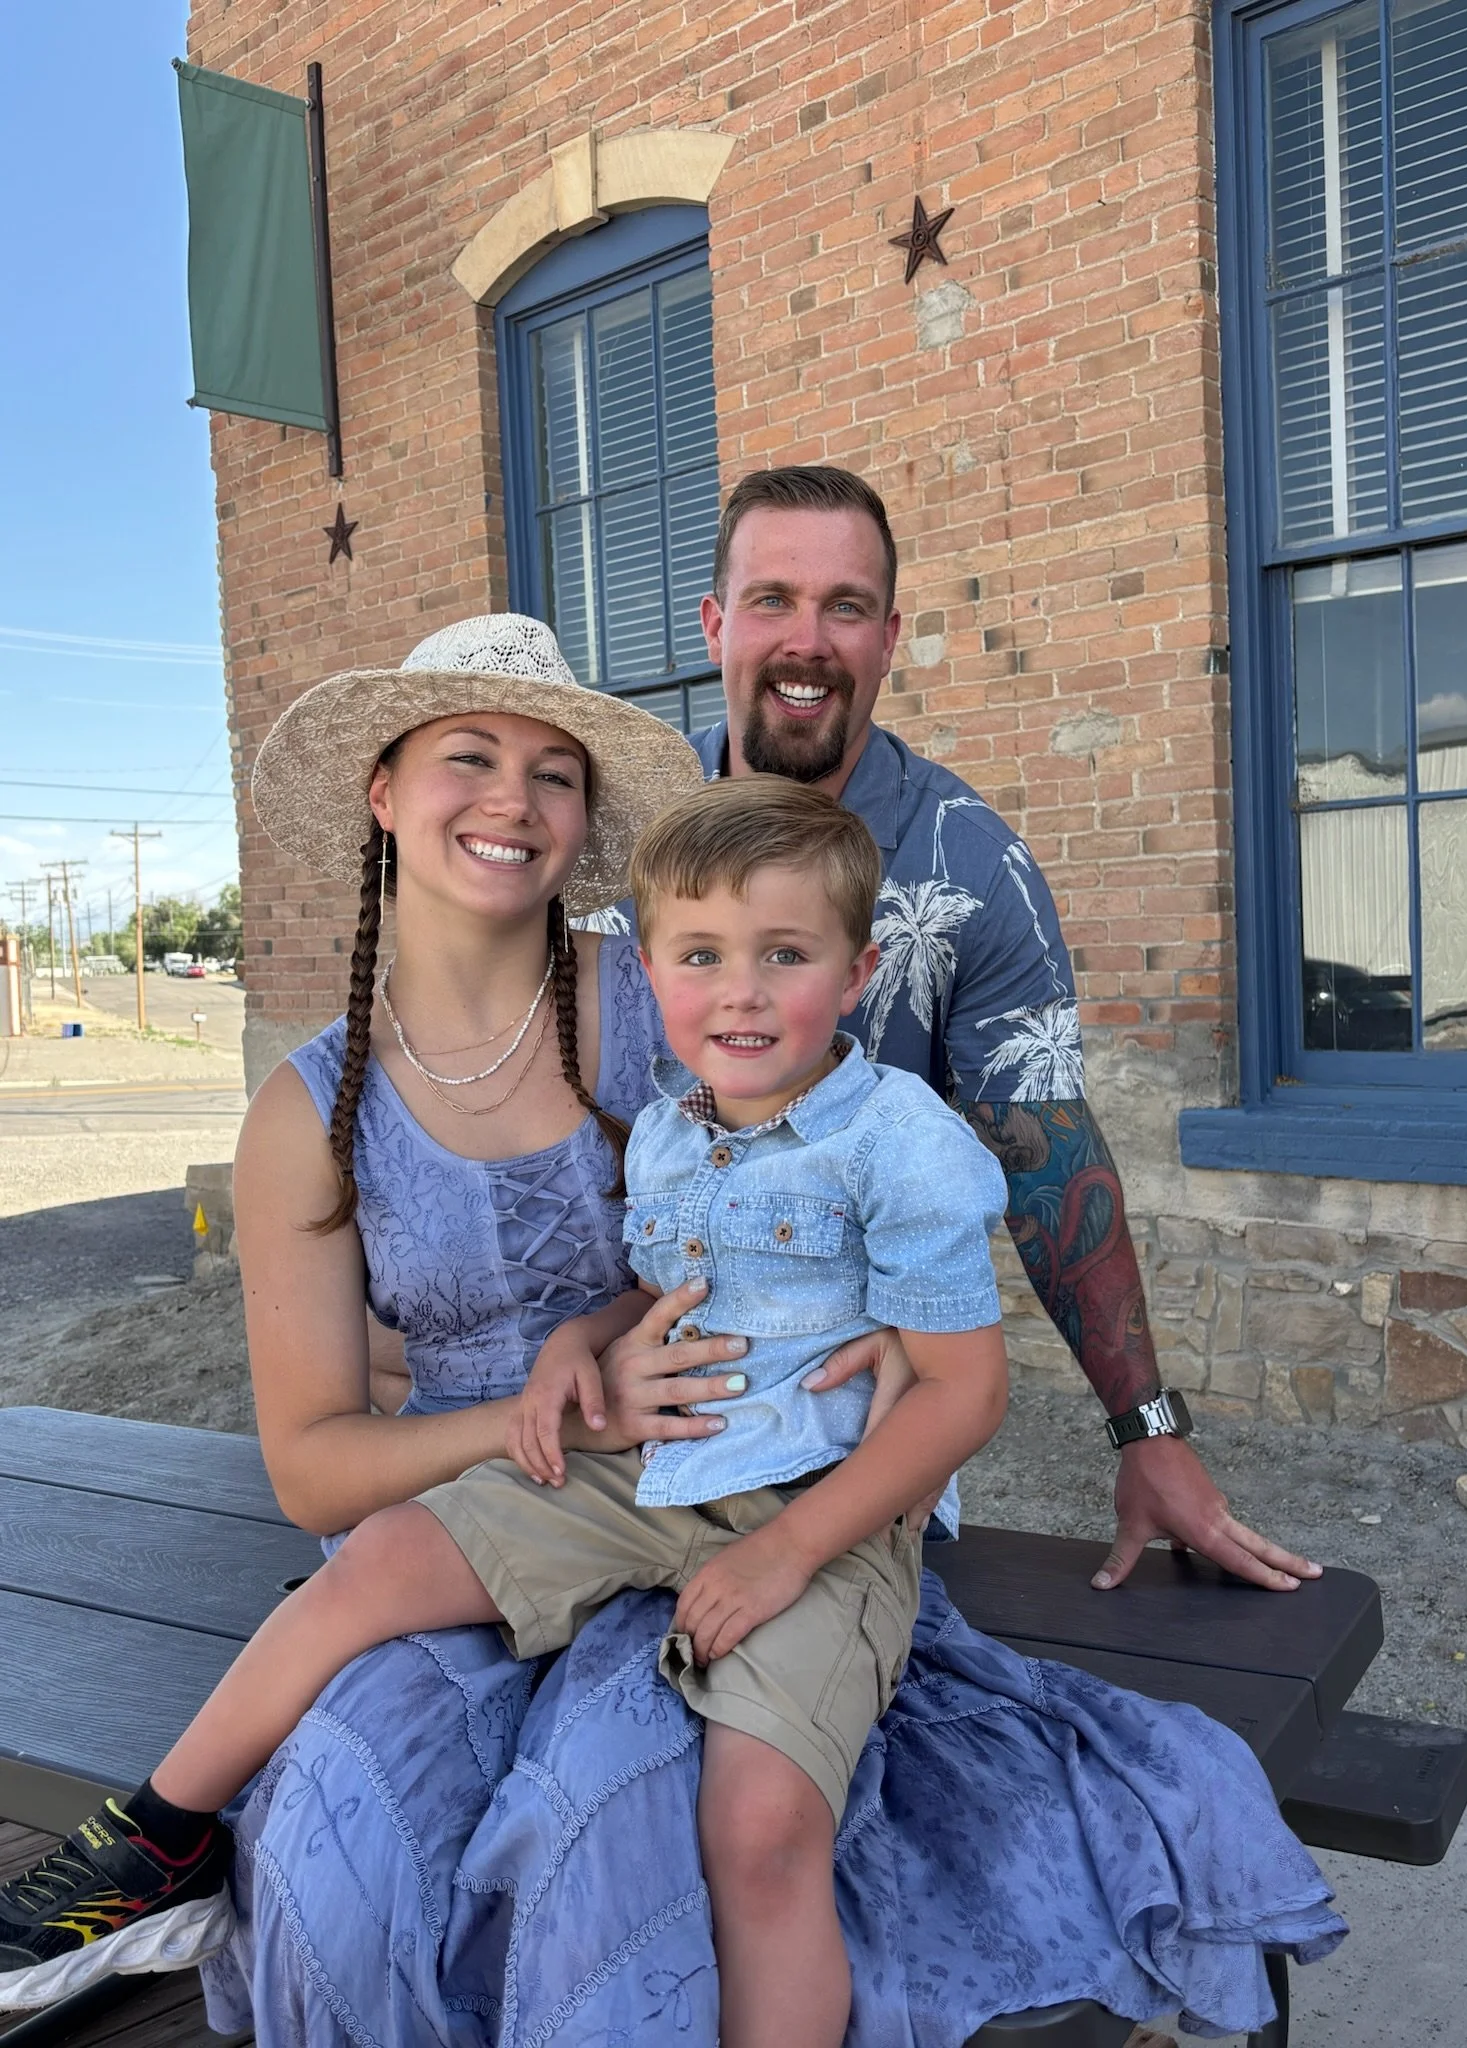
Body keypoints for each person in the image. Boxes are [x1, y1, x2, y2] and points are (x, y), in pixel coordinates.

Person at [0, 613, 1343, 2045]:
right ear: (382, 791)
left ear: (586, 830)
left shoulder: (682, 992)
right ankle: (157, 1846)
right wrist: (573, 1380)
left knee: (633, 1849)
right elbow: (320, 1466)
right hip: (538, 1489)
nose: (514, 799)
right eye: (468, 755)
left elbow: (885, 1167)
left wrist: (1021, 1372)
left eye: (553, 772)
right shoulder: (315, 1104)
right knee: (336, 1845)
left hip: (766, 1485)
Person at [0, 779, 1010, 2048]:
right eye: (704, 957)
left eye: (786, 956)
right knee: (382, 1557)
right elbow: (662, 1284)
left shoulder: (899, 1141)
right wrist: (568, 1355)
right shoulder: (674, 1129)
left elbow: (968, 1385)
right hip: (641, 1461)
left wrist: (787, 1549)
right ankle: (156, 1839)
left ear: (858, 973)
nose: (743, 990)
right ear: (657, 969)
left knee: (762, 1827)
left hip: (816, 1500)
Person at [672, 463, 1322, 1598]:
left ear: (889, 640)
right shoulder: (623, 833)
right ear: (717, 623)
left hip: (848, 1429)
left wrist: (1149, 1427)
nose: (807, 641)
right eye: (773, 599)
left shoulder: (969, 863)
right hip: (635, 1382)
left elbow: (1043, 1142)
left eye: (848, 606)